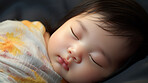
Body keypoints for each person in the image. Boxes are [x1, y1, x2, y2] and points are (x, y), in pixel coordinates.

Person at [0, 0, 148, 83]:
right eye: (75, 34)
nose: (75, 51)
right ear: (67, 21)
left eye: (95, 59)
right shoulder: (26, 30)